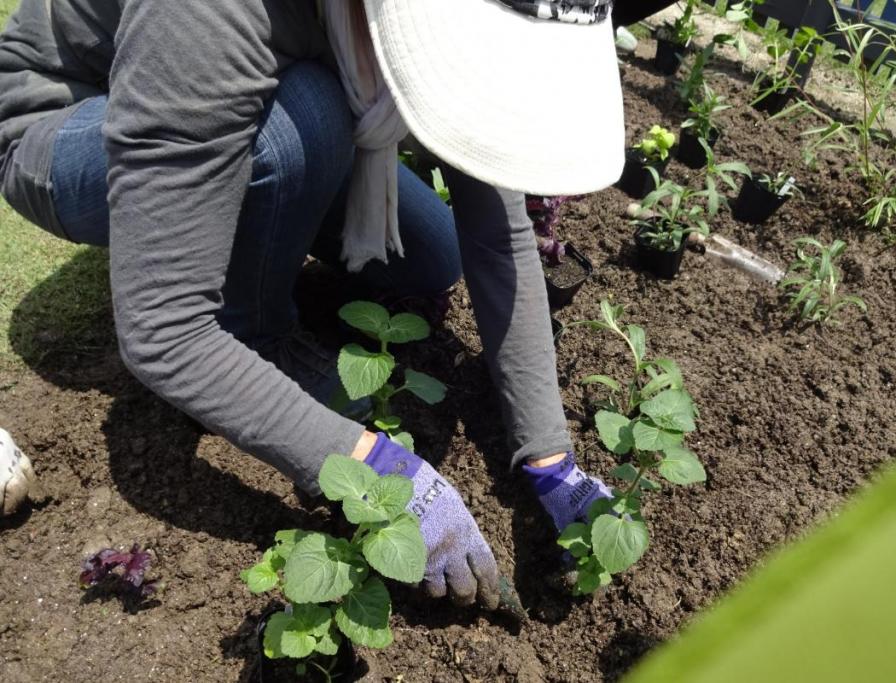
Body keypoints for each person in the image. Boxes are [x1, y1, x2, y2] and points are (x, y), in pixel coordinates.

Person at [0, 0, 624, 606]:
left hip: (263, 79)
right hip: (68, 118)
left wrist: (549, 457)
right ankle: (257, 332)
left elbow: (497, 234)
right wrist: (375, 471)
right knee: (309, 117)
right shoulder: (206, 10)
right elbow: (164, 330)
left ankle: (275, 190)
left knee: (434, 255)